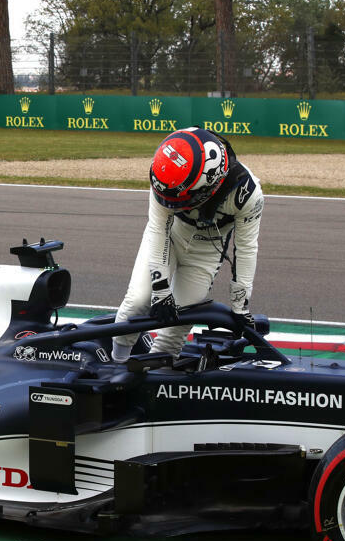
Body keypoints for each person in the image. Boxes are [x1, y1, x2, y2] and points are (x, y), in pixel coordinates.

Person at [110, 126, 264, 363]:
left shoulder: (247, 193)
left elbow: (246, 249)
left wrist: (240, 305)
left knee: (176, 328)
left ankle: (155, 383)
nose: (169, 203)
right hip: (167, 236)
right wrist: (161, 289)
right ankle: (115, 363)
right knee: (138, 301)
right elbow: (157, 227)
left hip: (206, 252)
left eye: (181, 199)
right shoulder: (166, 175)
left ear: (210, 186)